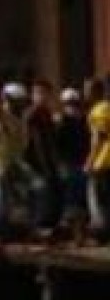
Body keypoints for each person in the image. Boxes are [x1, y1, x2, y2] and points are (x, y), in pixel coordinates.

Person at [0, 81, 31, 243]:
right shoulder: (4, 116)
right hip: (2, 164)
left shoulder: (21, 119)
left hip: (15, 162)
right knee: (1, 200)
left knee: (28, 192)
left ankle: (19, 230)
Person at [25, 79, 62, 233]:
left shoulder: (47, 114)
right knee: (40, 193)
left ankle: (49, 226)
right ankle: (39, 227)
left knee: (52, 192)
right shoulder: (31, 114)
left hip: (49, 161)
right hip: (36, 162)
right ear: (32, 95)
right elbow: (34, 142)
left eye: (45, 93)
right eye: (38, 93)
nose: (42, 97)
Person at [55, 87, 90, 243]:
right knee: (72, 201)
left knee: (81, 201)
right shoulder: (61, 122)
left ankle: (80, 234)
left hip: (82, 164)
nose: (72, 107)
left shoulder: (84, 121)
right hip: (69, 165)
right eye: (69, 103)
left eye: (75, 103)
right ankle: (75, 235)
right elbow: (57, 146)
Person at [85, 75, 110, 244]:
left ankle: (101, 234)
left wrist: (90, 160)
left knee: (97, 200)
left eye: (87, 89)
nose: (84, 92)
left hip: (103, 161)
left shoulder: (98, 110)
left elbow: (98, 137)